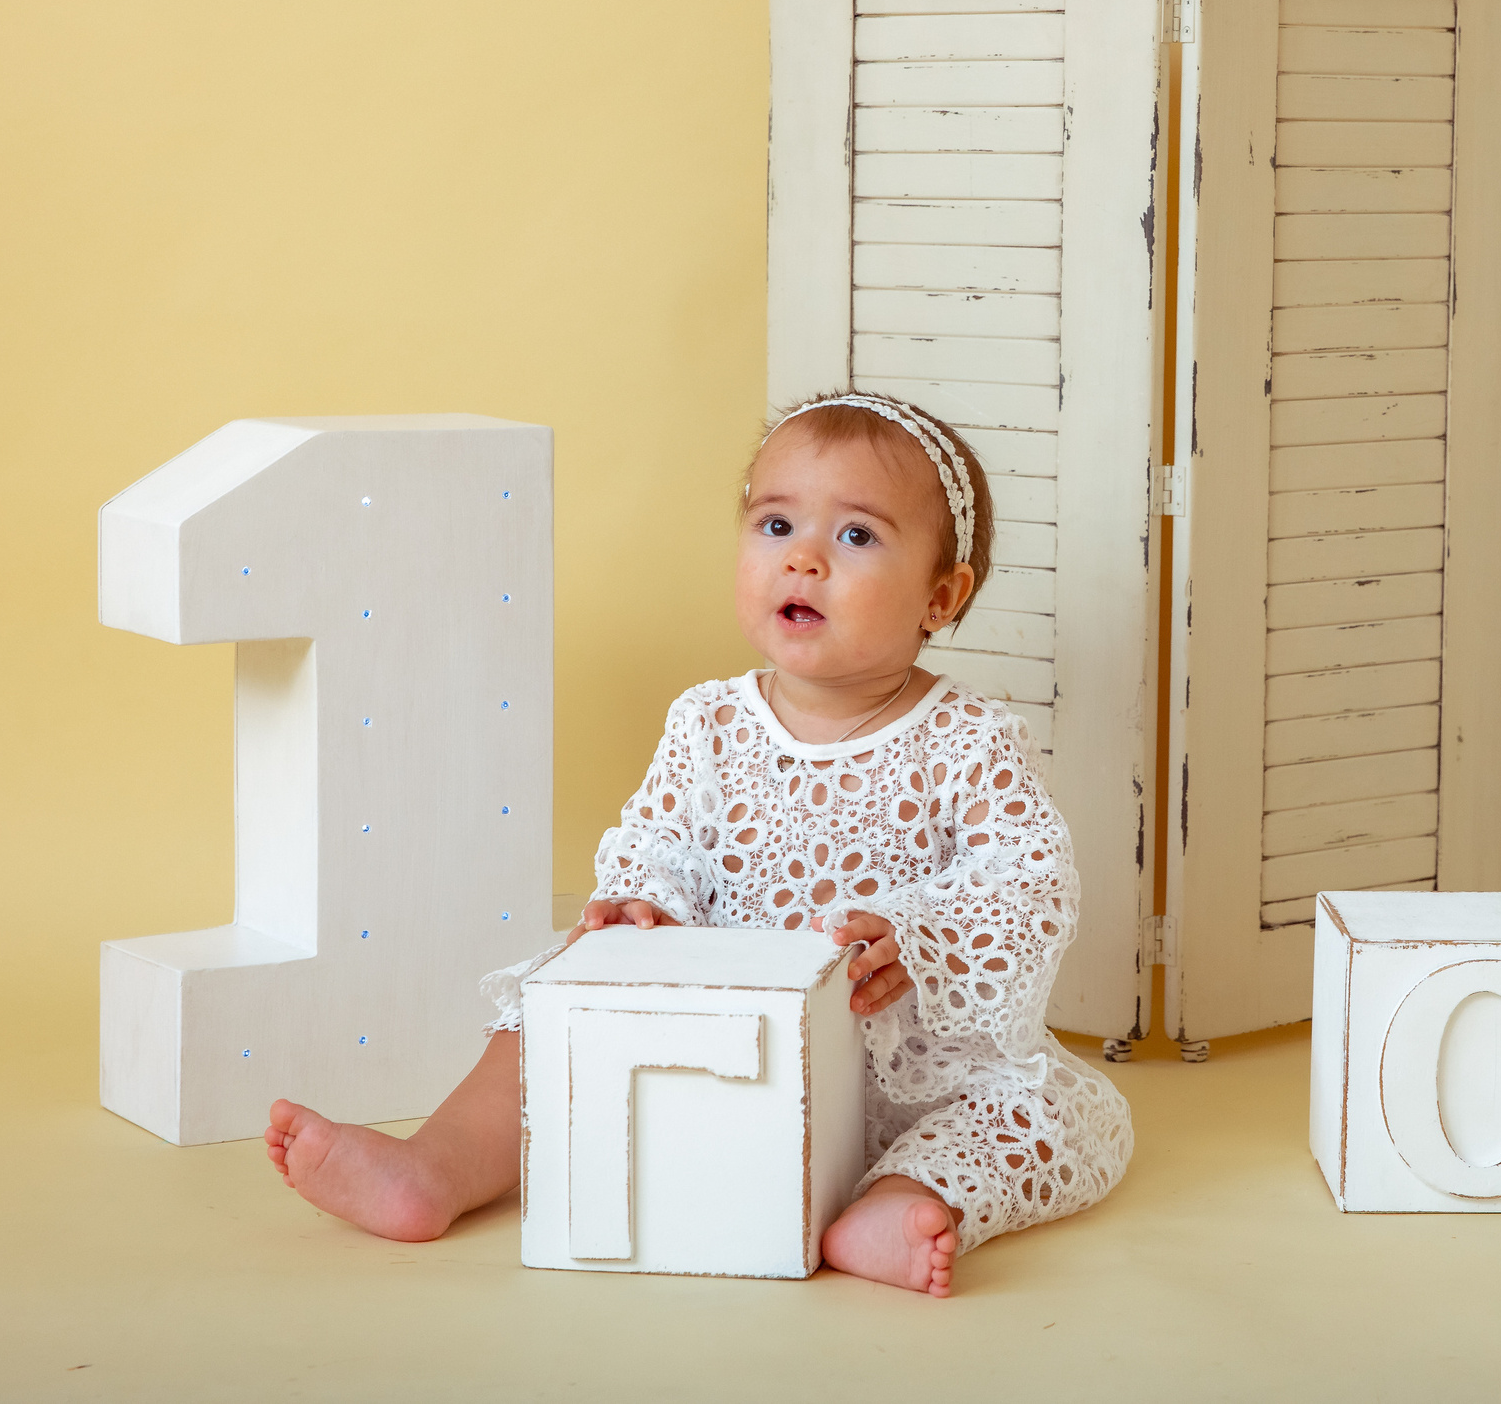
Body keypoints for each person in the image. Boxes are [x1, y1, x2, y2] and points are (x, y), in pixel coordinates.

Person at [262, 391, 1133, 1295]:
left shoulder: (967, 738)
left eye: (858, 537)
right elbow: (659, 838)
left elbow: (1028, 876)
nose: (802, 557)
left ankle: (899, 1199)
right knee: (543, 1014)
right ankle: (433, 1166)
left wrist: (919, 936)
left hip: (910, 1069)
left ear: (938, 597)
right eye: (776, 522)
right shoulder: (710, 721)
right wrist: (645, 901)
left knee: (1041, 1119)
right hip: (729, 1037)